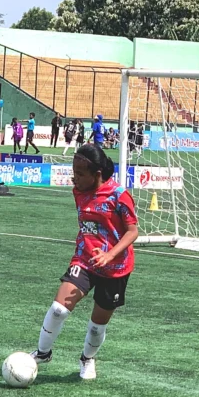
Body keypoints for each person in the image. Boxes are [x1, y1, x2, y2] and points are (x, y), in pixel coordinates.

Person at [30, 144, 138, 380]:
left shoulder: (119, 195)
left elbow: (132, 231)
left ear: (97, 174)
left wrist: (110, 254)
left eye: (80, 173)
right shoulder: (78, 190)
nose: (74, 178)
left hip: (116, 268)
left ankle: (87, 359)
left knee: (97, 325)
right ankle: (42, 352)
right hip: (85, 259)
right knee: (59, 309)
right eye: (74, 171)